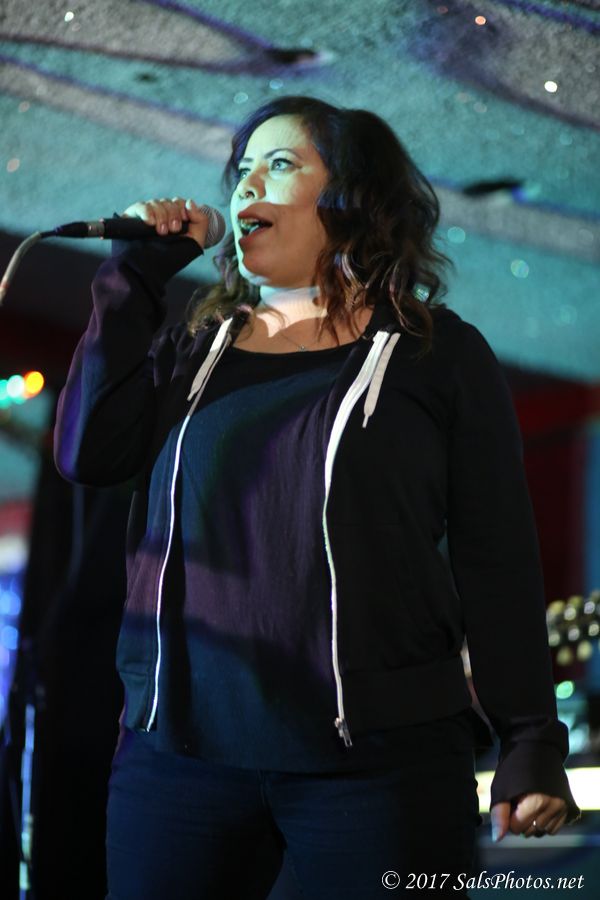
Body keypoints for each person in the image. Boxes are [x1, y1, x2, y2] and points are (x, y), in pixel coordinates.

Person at [54, 96, 580, 899]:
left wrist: (530, 740)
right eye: (242, 170)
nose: (245, 186)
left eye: (280, 164)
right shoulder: (195, 352)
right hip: (180, 765)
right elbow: (86, 453)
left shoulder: (437, 355)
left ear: (351, 198)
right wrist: (134, 276)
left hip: (382, 770)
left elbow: (496, 555)